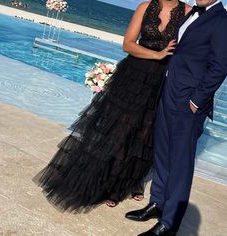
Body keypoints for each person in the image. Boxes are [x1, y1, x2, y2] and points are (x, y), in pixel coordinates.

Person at [33, 0, 190, 211]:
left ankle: (131, 180)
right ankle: (109, 182)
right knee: (121, 130)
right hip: (133, 76)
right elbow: (128, 44)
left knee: (146, 132)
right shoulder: (146, 7)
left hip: (163, 79)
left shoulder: (188, 12)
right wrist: (157, 54)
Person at [125, 0, 227, 235]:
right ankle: (157, 203)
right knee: (162, 154)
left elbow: (220, 66)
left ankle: (169, 223)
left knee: (180, 164)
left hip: (189, 102)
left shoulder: (222, 21)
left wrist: (196, 101)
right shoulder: (192, 15)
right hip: (168, 92)